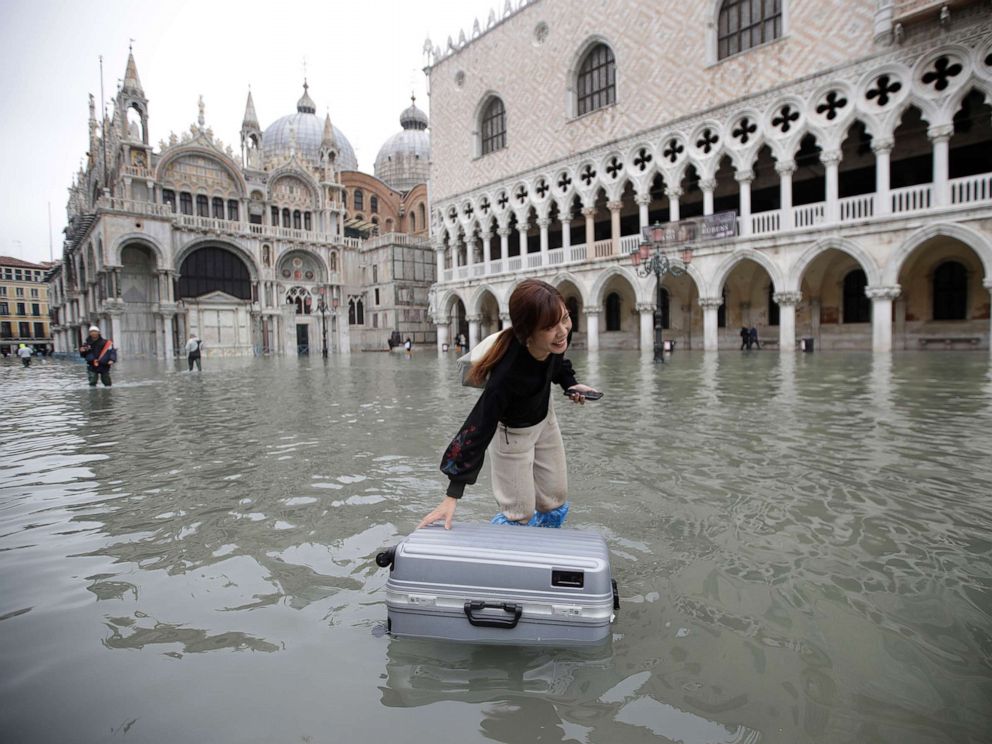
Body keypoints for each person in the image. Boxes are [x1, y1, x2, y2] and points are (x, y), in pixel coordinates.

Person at [418, 279, 600, 531]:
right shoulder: (507, 375)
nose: (562, 331)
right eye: (550, 326)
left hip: (545, 420)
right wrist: (452, 495)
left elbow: (556, 363)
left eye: (565, 318)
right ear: (528, 333)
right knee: (519, 513)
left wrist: (571, 385)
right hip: (511, 437)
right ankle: (509, 553)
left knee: (555, 499)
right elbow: (478, 427)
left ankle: (546, 547)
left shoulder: (552, 344)